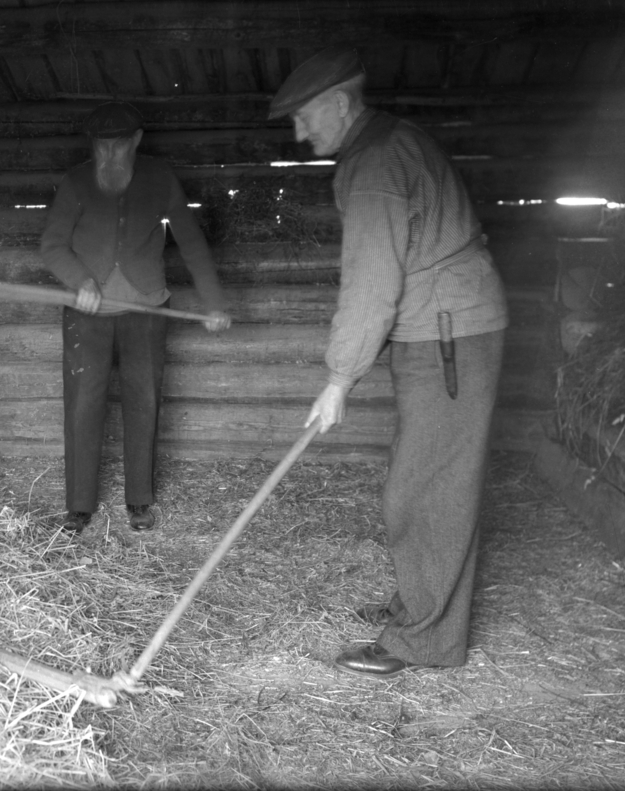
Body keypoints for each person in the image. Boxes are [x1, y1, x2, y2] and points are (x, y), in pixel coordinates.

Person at [267, 48, 509, 677]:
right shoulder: (389, 143)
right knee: (427, 477)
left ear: (341, 104)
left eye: (304, 118)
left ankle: (424, 639)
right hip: (443, 326)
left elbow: (372, 281)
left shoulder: (373, 162)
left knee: (426, 487)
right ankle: (423, 605)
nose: (298, 134)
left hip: (448, 333)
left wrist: (339, 377)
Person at [39, 101, 231, 534]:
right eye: (101, 147)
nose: (109, 156)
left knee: (143, 403)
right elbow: (52, 245)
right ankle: (79, 505)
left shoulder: (160, 178)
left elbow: (192, 242)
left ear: (137, 141)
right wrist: (81, 281)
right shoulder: (75, 183)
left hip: (147, 310)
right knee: (82, 407)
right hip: (86, 315)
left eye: (118, 146)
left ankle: (139, 501)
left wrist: (213, 301)